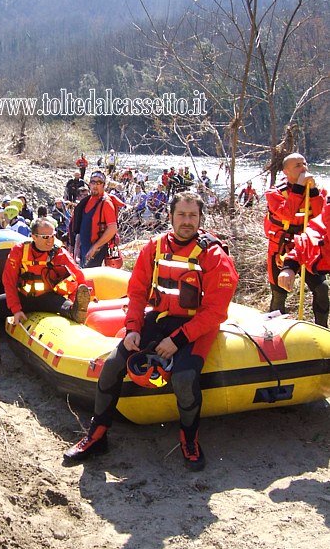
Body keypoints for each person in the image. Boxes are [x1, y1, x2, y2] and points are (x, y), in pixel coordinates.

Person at [64, 192, 239, 470]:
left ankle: (189, 439)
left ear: (200, 219)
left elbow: (215, 311)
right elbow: (136, 292)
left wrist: (177, 340)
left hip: (195, 327)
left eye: (193, 216)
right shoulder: (155, 247)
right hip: (158, 319)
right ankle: (97, 435)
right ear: (170, 217)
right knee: (111, 367)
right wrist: (132, 328)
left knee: (183, 379)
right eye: (181, 215)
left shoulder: (214, 255)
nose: (187, 221)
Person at [0, 218, 91, 364]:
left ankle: (75, 311)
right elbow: (8, 280)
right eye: (45, 237)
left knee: (67, 307)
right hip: (24, 298)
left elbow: (78, 276)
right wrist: (16, 309)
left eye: (53, 236)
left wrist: (78, 296)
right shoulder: (19, 250)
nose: (50, 240)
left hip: (48, 297)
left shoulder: (59, 252)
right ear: (33, 237)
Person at [264, 152, 328, 326]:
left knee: (321, 289)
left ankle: (322, 329)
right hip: (281, 248)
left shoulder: (317, 190)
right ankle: (275, 330)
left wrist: (312, 190)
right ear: (286, 171)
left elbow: (321, 214)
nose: (303, 168)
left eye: (304, 163)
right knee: (279, 294)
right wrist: (299, 187)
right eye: (297, 165)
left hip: (307, 247)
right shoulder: (274, 193)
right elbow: (286, 214)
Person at [71, 171, 124, 268]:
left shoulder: (106, 203)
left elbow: (112, 228)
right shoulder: (86, 201)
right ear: (89, 184)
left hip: (97, 251)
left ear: (104, 185)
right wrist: (76, 248)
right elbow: (81, 227)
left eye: (99, 182)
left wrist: (95, 247)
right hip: (84, 249)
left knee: (92, 281)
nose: (95, 185)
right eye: (93, 182)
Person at [278, 197, 330, 292]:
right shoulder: (326, 215)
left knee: (321, 290)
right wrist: (290, 266)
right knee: (279, 293)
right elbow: (309, 241)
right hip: (282, 246)